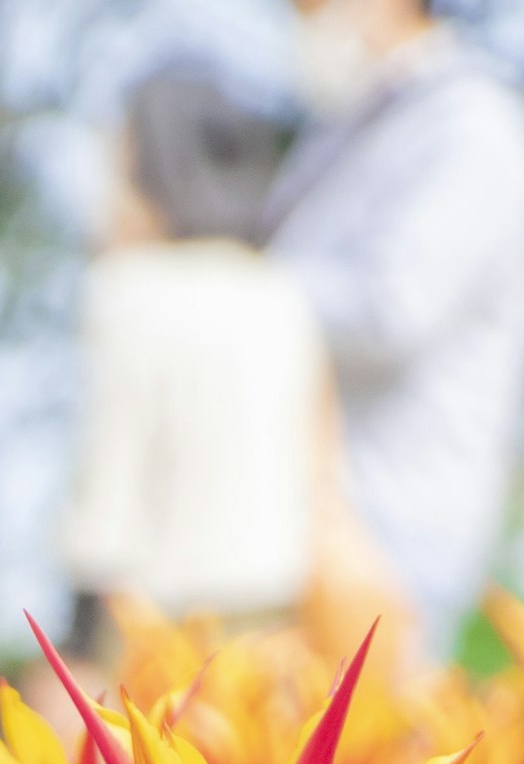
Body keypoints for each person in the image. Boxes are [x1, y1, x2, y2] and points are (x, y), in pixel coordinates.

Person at [266, 0, 524, 650]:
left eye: (313, 5)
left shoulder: (473, 123)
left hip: (394, 521)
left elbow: (393, 310)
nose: (302, 34)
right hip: (305, 515)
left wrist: (246, 298)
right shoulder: (353, 129)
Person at [62, 65, 368, 648]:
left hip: (157, 625)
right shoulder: (281, 291)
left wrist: (77, 641)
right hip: (279, 622)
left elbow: (109, 491)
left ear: (154, 171)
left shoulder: (126, 289)